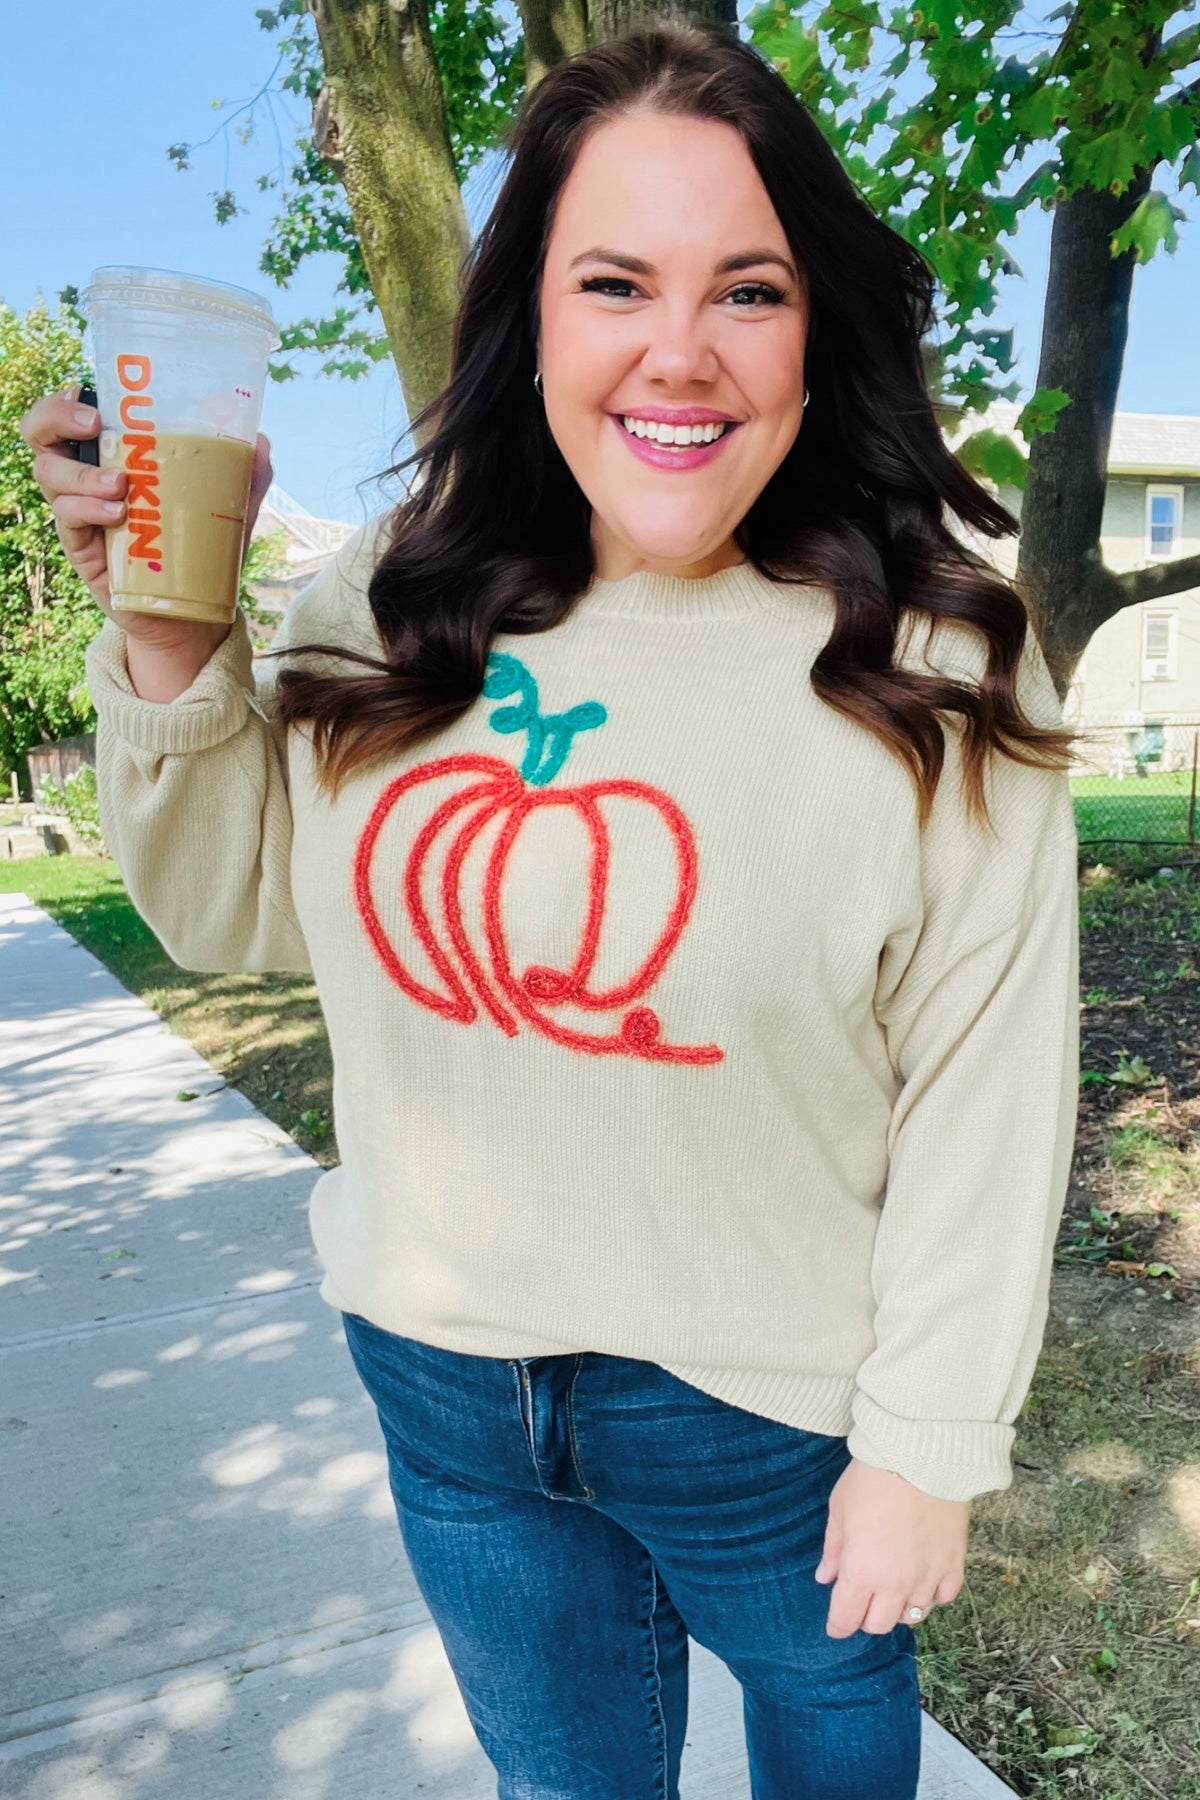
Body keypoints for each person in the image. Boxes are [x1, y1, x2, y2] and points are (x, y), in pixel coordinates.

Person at [23, 22, 1081, 1800]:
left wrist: (927, 1443)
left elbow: (990, 1082)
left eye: (748, 289)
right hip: (444, 1382)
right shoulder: (394, 589)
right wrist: (168, 635)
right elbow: (221, 910)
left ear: (818, 322)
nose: (681, 350)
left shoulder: (936, 657)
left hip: (766, 1408)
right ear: (534, 322)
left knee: (831, 1740)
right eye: (615, 283)